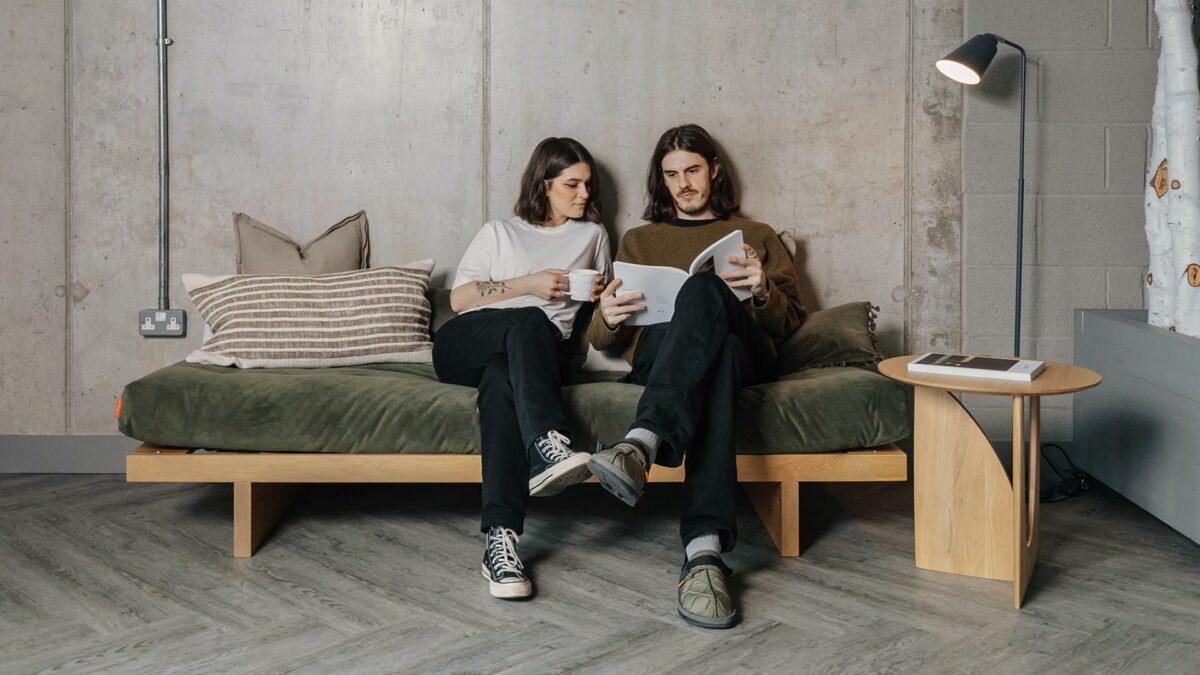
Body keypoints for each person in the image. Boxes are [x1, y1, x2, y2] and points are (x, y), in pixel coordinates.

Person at [586, 124, 805, 628]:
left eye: (692, 170)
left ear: (714, 171)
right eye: (670, 175)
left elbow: (791, 322)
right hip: (664, 356)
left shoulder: (755, 236)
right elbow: (602, 340)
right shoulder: (639, 240)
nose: (682, 183)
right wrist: (609, 314)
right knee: (718, 353)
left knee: (707, 297)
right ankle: (704, 554)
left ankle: (641, 442)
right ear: (660, 182)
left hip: (748, 351)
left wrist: (762, 289)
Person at [433, 137, 609, 600]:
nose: (584, 194)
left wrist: (607, 301)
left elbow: (603, 312)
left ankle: (500, 540)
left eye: (587, 184)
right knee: (529, 317)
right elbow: (458, 300)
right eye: (572, 184)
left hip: (534, 358)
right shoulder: (499, 232)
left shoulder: (593, 237)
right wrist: (528, 284)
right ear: (544, 183)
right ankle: (548, 444)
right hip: (467, 341)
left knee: (499, 382)